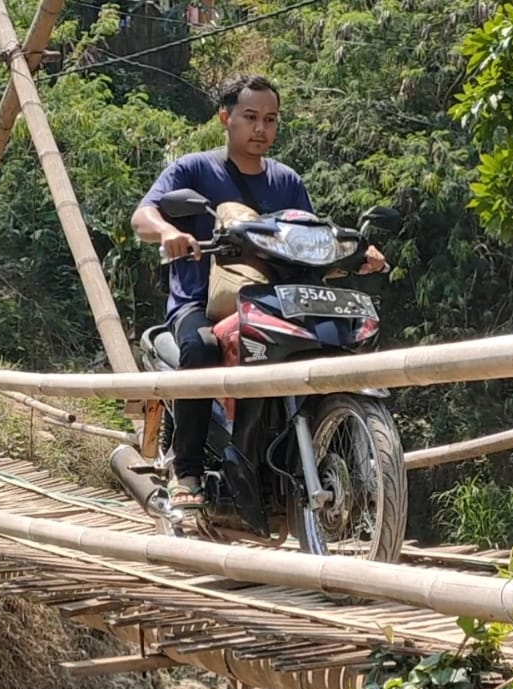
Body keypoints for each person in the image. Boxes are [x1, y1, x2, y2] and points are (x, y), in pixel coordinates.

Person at [131, 73, 384, 517]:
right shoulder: (193, 169)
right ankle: (187, 470)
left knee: (330, 343)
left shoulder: (287, 181)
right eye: (250, 117)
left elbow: (311, 238)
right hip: (202, 304)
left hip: (278, 303)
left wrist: (356, 254)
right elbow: (143, 215)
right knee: (201, 346)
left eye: (270, 119)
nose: (261, 129)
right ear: (225, 118)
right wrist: (170, 232)